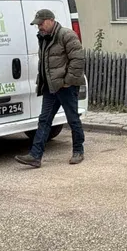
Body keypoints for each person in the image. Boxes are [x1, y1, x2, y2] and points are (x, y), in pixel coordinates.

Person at [15, 9, 86, 168]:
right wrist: (42, 82)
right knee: (44, 120)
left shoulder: (67, 35)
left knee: (72, 119)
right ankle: (35, 156)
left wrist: (68, 81)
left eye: (41, 23)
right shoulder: (43, 37)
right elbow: (45, 63)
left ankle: (78, 151)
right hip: (50, 86)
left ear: (51, 20)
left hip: (66, 87)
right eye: (37, 24)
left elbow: (78, 59)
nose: (39, 27)